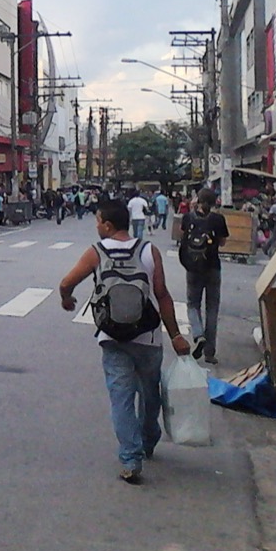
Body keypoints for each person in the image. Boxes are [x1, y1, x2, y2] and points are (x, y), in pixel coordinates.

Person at [58, 199, 191, 484]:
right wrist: (176, 335)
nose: (96, 226)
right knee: (150, 394)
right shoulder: (148, 251)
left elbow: (66, 283)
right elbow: (162, 295)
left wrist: (66, 299)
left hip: (112, 337)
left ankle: (131, 459)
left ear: (107, 225)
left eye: (98, 221)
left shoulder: (96, 252)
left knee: (121, 399)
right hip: (148, 337)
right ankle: (149, 438)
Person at [179, 187, 230, 364]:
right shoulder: (218, 219)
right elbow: (222, 242)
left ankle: (198, 333)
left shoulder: (188, 217)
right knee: (212, 308)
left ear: (198, 200)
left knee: (192, 304)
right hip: (213, 267)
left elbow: (182, 237)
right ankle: (209, 352)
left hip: (193, 268)